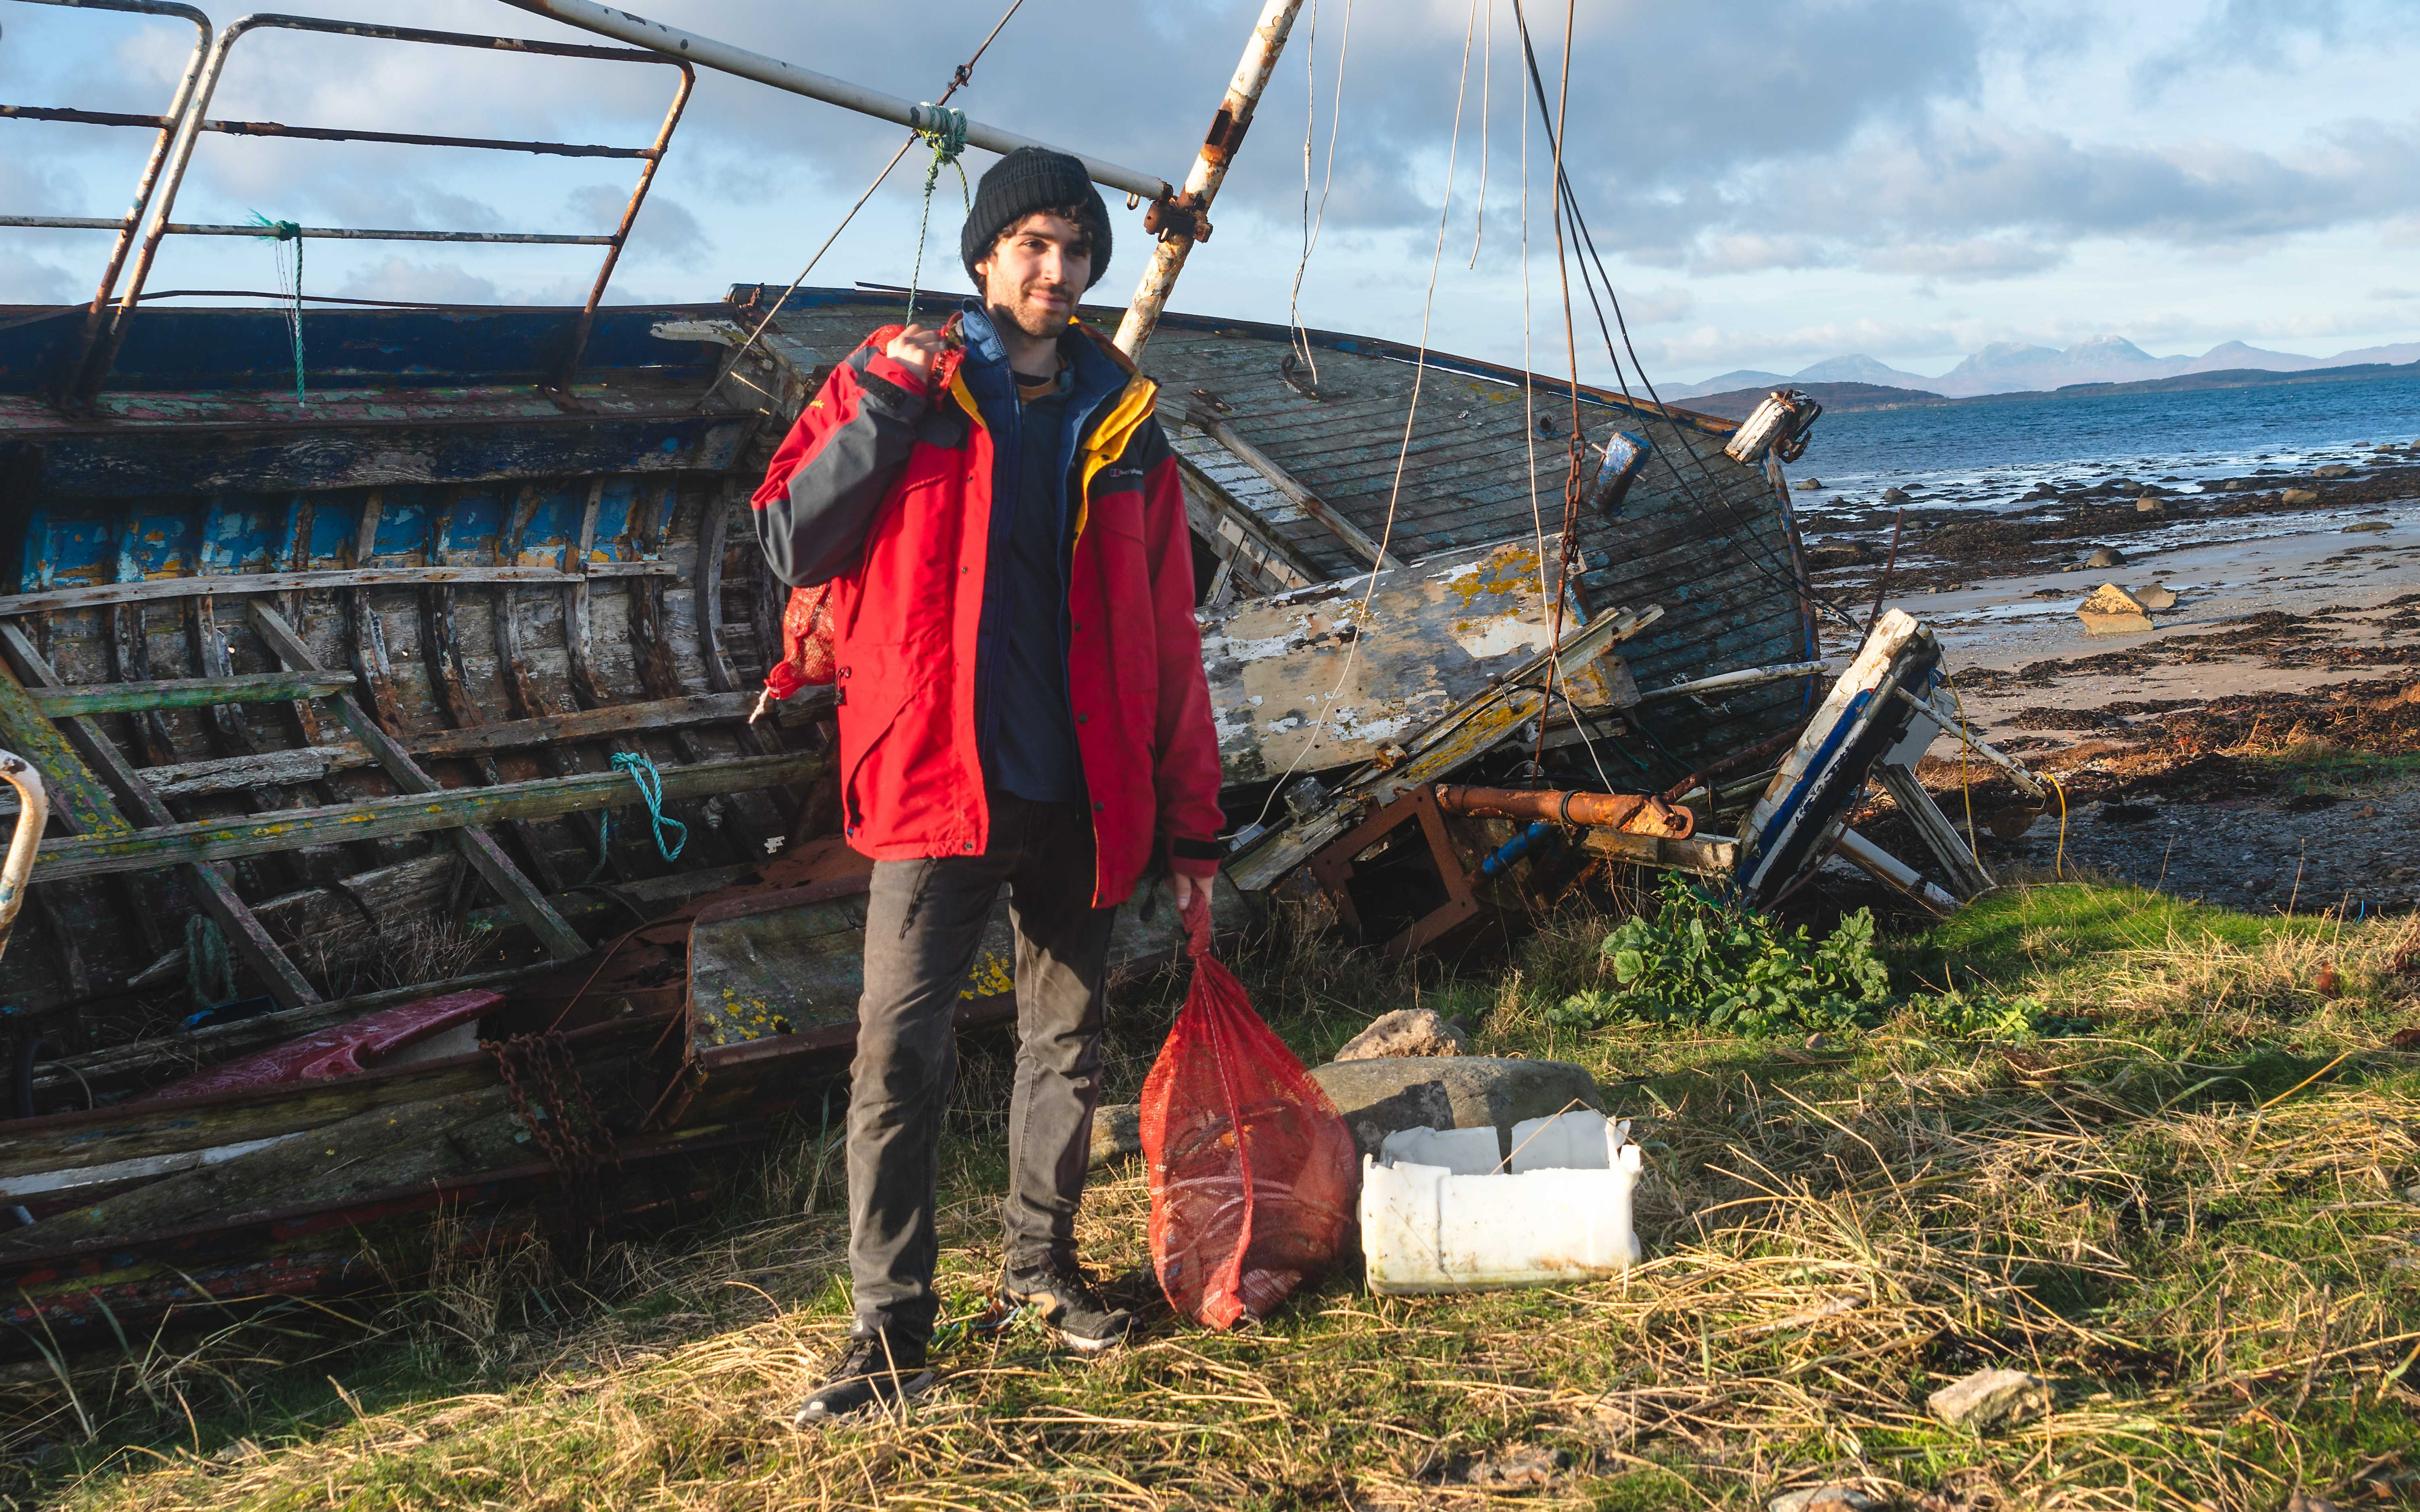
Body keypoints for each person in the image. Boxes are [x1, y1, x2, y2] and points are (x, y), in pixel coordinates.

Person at [750, 147, 1227, 1425]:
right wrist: (885, 412)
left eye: (1076, 250)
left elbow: (1169, 632)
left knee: (1065, 1046)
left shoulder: (1124, 418)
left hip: (1084, 787)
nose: (1057, 271)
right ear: (983, 256)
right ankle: (891, 1329)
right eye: (1032, 246)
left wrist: (1195, 826)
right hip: (935, 782)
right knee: (897, 1054)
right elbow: (796, 536)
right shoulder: (894, 379)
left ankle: (1038, 1273)